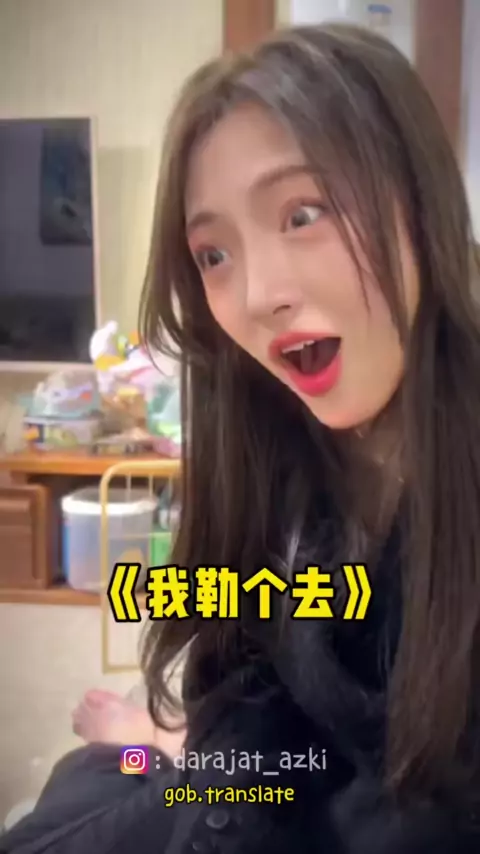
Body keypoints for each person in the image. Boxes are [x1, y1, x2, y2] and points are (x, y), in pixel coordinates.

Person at [3, 21, 480, 853]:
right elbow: (244, 680)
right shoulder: (267, 437)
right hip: (267, 789)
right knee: (81, 787)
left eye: (303, 213)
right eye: (214, 254)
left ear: (417, 201)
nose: (257, 295)